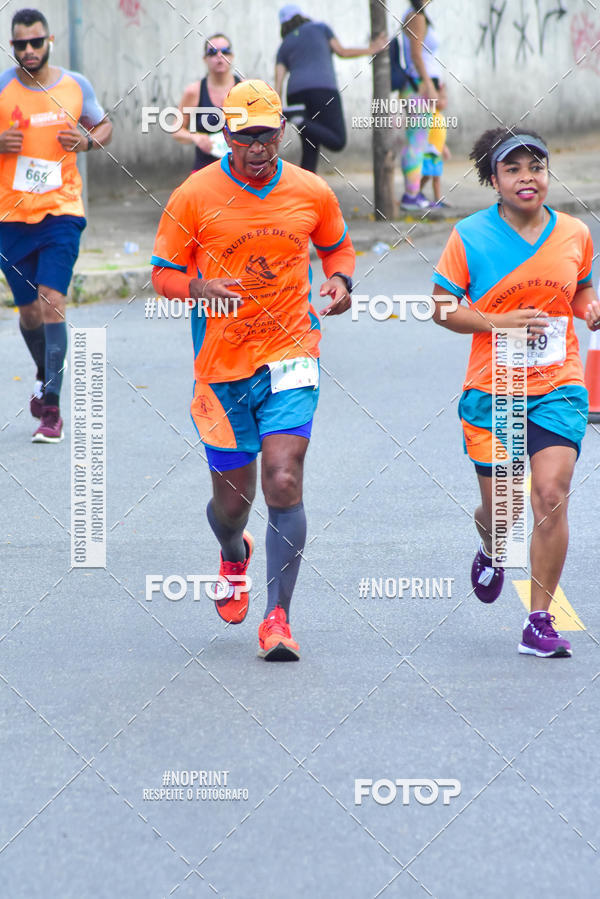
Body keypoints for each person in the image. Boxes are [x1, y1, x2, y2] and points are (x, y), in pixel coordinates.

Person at [151, 79, 355, 661]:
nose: (258, 147)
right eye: (245, 137)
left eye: (266, 135)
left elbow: (337, 249)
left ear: (282, 133)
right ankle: (232, 553)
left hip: (291, 354)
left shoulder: (311, 191)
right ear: (228, 135)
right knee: (232, 505)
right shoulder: (194, 195)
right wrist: (197, 287)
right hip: (221, 369)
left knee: (284, 480)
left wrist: (339, 282)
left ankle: (278, 617)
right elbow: (162, 272)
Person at [432, 127, 599, 658]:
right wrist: (500, 322)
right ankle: (491, 545)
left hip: (558, 383)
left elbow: (582, 287)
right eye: (514, 170)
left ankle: (538, 620)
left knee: (550, 494)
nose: (528, 178)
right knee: (501, 513)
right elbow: (442, 308)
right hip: (492, 387)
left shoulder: (573, 232)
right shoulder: (470, 236)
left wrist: (588, 306)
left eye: (536, 167)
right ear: (494, 180)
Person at [0, 7, 112, 442]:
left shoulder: (74, 85)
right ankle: (45, 370)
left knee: (51, 302)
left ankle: (51, 409)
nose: (28, 50)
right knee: (28, 312)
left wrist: (87, 140)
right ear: (13, 46)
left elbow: (105, 126)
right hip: (10, 217)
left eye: (35, 42)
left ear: (49, 42)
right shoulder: (3, 89)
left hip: (62, 211)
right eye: (20, 44)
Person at [274, 5, 386, 172]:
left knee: (310, 150)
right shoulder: (321, 28)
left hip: (295, 95)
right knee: (337, 141)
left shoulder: (283, 46)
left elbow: (279, 81)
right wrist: (371, 49)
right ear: (301, 16)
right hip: (323, 90)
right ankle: (297, 118)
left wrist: (277, 109)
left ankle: (306, 196)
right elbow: (342, 52)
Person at [171, 33, 240, 171]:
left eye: (225, 52)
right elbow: (176, 129)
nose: (219, 57)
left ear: (231, 57)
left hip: (239, 170)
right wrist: (196, 137)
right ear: (205, 59)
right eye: (213, 52)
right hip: (205, 170)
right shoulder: (194, 91)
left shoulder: (245, 88)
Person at [400, 0, 442, 210]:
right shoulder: (416, 17)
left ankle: (413, 193)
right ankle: (411, 196)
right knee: (416, 142)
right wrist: (428, 84)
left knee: (417, 140)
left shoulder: (414, 15)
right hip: (419, 85)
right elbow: (417, 55)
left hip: (418, 84)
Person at [419, 81, 451, 208]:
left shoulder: (440, 116)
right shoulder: (429, 114)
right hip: (428, 152)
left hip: (437, 152)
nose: (443, 101)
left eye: (444, 98)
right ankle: (416, 193)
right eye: (440, 98)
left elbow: (439, 136)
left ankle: (438, 199)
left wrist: (444, 148)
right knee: (427, 175)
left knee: (436, 176)